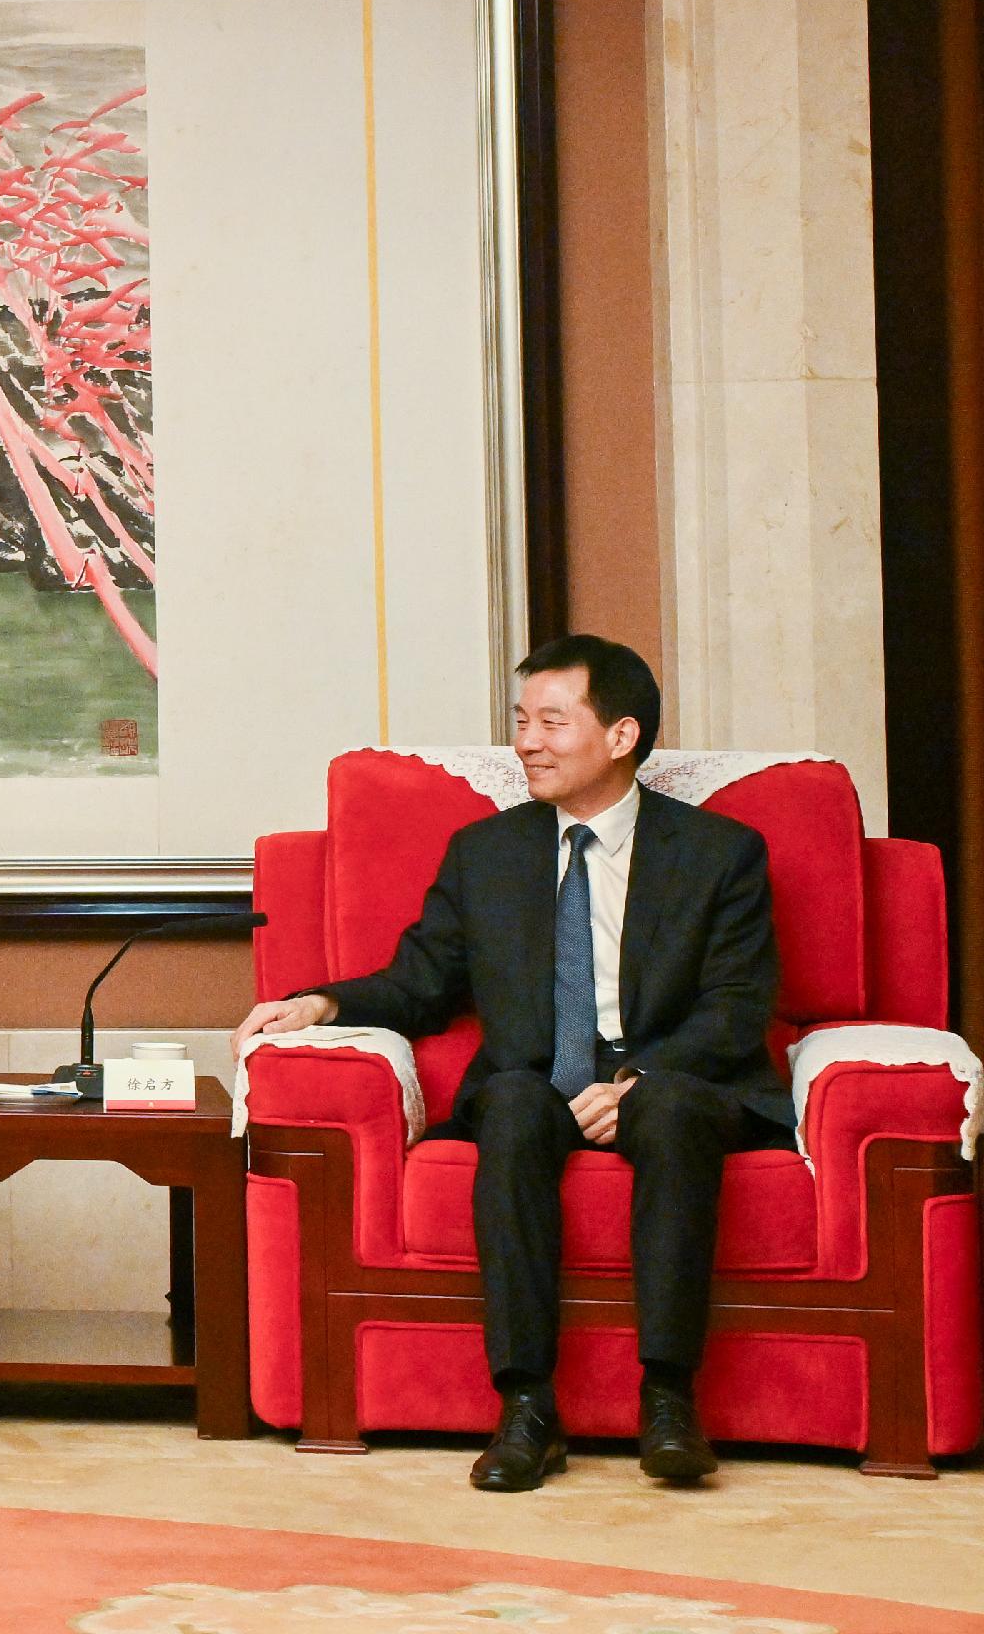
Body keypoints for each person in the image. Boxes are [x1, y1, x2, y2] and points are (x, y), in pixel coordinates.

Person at [235, 636, 779, 1491]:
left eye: (552, 722)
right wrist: (323, 1004)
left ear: (622, 734)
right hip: (537, 1081)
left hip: (675, 1080)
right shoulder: (485, 853)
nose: (527, 741)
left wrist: (634, 1081)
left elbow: (737, 1007)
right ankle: (526, 1407)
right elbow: (421, 981)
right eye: (521, 721)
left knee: (670, 1110)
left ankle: (669, 1399)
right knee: (516, 1105)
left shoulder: (720, 852)